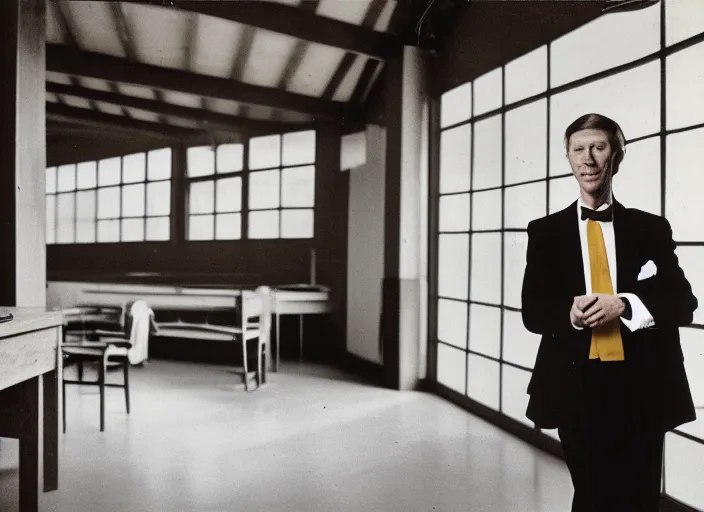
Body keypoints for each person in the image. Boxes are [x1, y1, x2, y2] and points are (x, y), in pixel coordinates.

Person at [521, 113, 698, 511]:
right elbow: (532, 311)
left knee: (640, 498)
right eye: (579, 149)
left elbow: (684, 302)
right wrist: (567, 311)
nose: (589, 159)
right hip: (575, 386)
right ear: (568, 158)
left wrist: (626, 304)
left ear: (616, 157)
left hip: (642, 385)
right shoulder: (545, 232)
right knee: (593, 497)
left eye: (599, 148)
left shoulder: (651, 228)